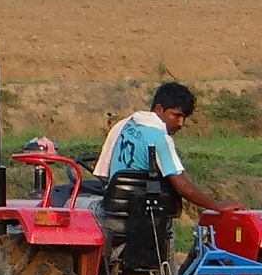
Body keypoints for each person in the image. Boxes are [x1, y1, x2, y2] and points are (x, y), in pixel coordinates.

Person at [94, 81, 244, 213]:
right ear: (159, 109)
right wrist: (217, 206)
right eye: (176, 115)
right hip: (140, 210)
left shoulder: (129, 123)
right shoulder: (160, 139)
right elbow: (182, 186)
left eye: (184, 118)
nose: (180, 123)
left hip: (113, 202)